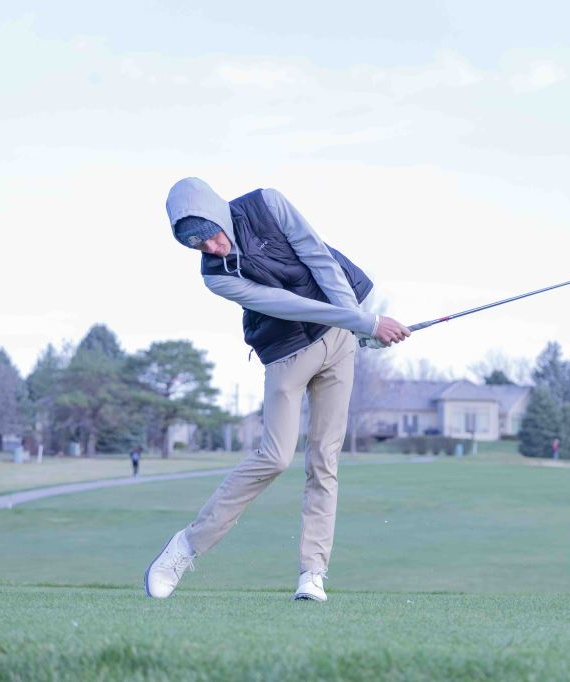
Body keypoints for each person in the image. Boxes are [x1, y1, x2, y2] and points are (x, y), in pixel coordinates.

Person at [144, 177, 410, 602]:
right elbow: (285, 304)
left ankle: (312, 573)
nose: (211, 248)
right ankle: (185, 548)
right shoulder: (215, 276)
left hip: (338, 341)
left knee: (325, 458)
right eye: (198, 246)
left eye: (210, 235)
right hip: (286, 353)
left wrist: (359, 321)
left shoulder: (268, 204)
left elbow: (320, 258)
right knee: (274, 456)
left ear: (218, 214)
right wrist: (365, 323)